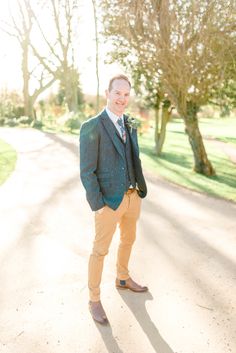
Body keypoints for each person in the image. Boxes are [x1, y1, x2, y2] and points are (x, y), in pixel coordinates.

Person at [79, 74, 148, 325]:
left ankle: (122, 277)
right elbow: (87, 171)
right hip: (108, 202)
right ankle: (94, 299)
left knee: (129, 240)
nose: (122, 98)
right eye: (117, 93)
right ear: (107, 93)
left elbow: (133, 158)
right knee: (100, 251)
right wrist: (99, 205)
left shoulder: (129, 123)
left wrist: (138, 188)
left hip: (132, 197)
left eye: (126, 94)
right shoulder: (92, 126)